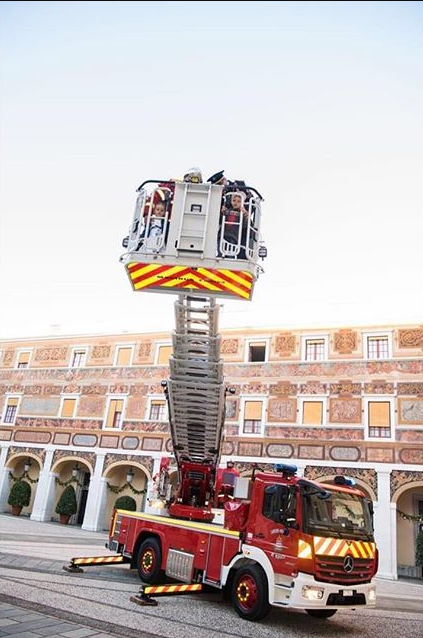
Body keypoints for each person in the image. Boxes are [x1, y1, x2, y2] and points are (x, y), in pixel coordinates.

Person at [219, 191, 249, 259]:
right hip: (223, 234)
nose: (236, 203)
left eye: (239, 201)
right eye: (234, 200)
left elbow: (244, 225)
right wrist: (222, 212)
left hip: (233, 236)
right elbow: (221, 220)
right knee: (220, 251)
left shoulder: (242, 213)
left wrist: (245, 215)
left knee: (230, 252)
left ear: (242, 203)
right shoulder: (228, 211)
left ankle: (230, 259)